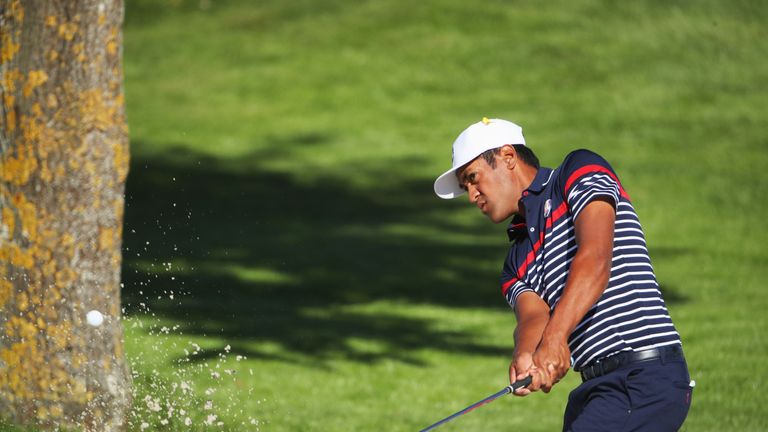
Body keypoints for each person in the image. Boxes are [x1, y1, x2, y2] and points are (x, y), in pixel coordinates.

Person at [433, 118, 694, 431]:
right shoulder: (515, 261)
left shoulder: (578, 170)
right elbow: (533, 319)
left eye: (473, 178)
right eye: (465, 187)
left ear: (508, 157)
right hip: (597, 387)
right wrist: (526, 356)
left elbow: (595, 258)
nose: (472, 194)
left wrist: (556, 339)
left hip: (643, 374)